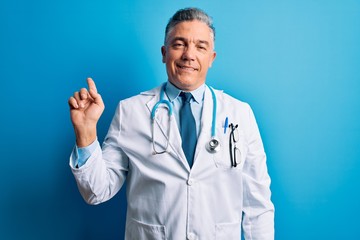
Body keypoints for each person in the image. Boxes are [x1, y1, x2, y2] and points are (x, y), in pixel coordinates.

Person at [68, 7, 274, 240]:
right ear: (164, 53)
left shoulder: (240, 114)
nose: (189, 55)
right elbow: (96, 191)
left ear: (211, 58)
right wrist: (85, 133)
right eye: (179, 44)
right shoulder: (131, 111)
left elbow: (258, 206)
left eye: (200, 46)